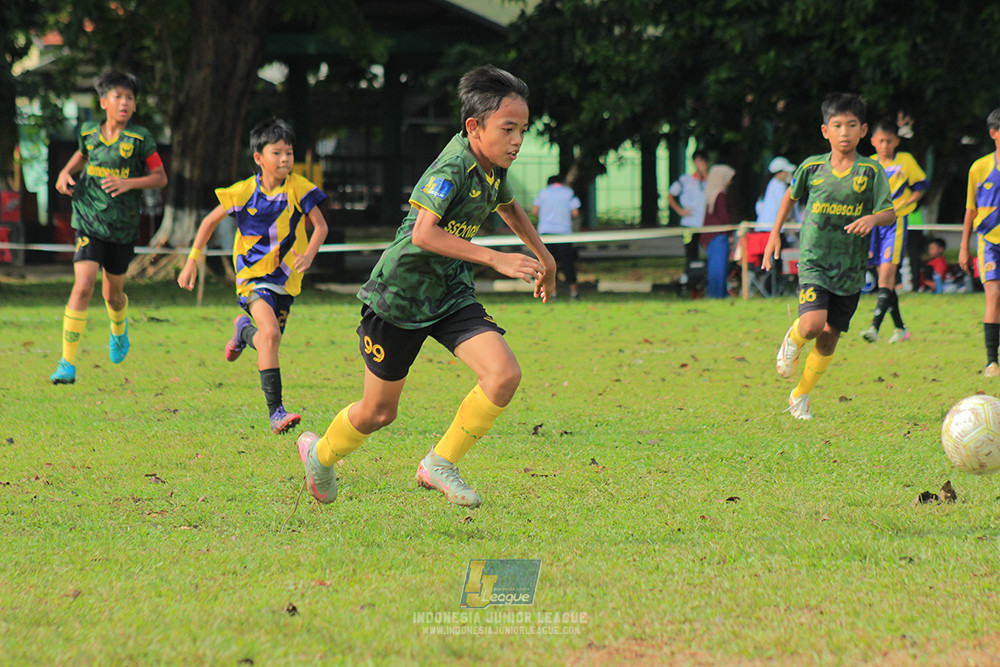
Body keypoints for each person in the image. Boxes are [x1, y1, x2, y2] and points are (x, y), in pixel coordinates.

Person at [294, 65, 556, 509]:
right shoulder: (452, 166)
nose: (518, 141)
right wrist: (496, 258)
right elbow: (423, 235)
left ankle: (439, 463)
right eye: (508, 129)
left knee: (503, 375)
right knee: (379, 413)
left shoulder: (491, 166)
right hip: (398, 297)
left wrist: (544, 256)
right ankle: (319, 455)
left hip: (449, 292)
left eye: (523, 130)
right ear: (474, 127)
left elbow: (508, 206)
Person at [177, 118, 328, 434]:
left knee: (265, 342)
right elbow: (208, 222)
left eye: (288, 152)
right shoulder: (244, 191)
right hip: (251, 278)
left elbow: (321, 226)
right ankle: (276, 413)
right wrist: (192, 259)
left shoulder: (300, 188)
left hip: (286, 280)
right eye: (277, 152)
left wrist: (309, 254)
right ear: (259, 157)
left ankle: (243, 331)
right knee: (271, 335)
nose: (285, 158)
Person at [763, 93, 894, 420]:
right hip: (815, 260)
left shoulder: (871, 171)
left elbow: (890, 213)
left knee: (829, 336)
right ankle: (792, 341)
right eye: (837, 125)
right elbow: (789, 198)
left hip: (850, 268)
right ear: (825, 131)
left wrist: (871, 219)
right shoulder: (812, 167)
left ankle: (800, 395)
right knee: (812, 324)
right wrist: (773, 235)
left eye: (851, 125)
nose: (844, 132)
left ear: (863, 130)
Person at [49, 71, 168, 385]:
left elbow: (160, 177)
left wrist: (129, 183)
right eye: (118, 97)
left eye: (130, 98)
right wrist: (64, 172)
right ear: (104, 102)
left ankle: (118, 327)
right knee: (84, 285)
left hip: (123, 227)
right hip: (88, 220)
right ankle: (67, 364)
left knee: (112, 294)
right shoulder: (89, 132)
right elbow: (81, 155)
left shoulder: (140, 139)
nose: (125, 103)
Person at [859, 117, 928, 344]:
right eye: (881, 141)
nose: (885, 145)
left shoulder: (905, 161)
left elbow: (920, 185)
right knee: (884, 280)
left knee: (886, 275)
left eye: (889, 141)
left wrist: (907, 203)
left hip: (895, 224)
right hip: (874, 226)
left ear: (897, 141)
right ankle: (900, 329)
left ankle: (874, 327)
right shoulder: (867, 164)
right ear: (872, 141)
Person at [959, 107, 1000, 377]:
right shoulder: (980, 167)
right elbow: (970, 210)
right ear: (994, 133)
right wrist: (963, 247)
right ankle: (991, 362)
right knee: (994, 296)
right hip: (989, 243)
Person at [532, 174, 581, 298]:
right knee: (567, 263)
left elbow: (534, 211)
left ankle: (550, 292)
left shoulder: (542, 193)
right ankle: (574, 292)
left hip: (545, 233)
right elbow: (575, 212)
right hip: (564, 233)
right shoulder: (568, 193)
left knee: (547, 263)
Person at [668, 150, 710, 264]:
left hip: (706, 224)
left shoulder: (710, 181)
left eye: (704, 161)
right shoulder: (685, 180)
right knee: (691, 253)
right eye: (699, 161)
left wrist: (706, 175)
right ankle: (691, 275)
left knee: (710, 253)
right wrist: (680, 211)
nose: (702, 164)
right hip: (689, 224)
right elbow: (670, 195)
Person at [701, 164, 736, 298]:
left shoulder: (711, 194)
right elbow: (724, 217)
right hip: (719, 236)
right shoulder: (720, 195)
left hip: (711, 237)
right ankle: (718, 294)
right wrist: (729, 234)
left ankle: (714, 293)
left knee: (714, 267)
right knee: (719, 268)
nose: (730, 181)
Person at [754, 156, 796, 232]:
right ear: (781, 172)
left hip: (766, 227)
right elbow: (782, 206)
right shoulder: (779, 185)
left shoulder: (772, 183)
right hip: (771, 228)